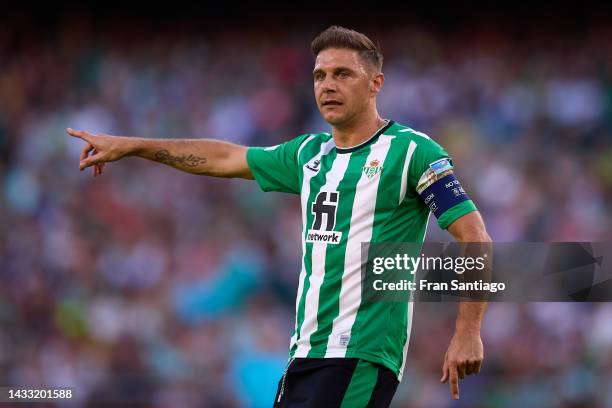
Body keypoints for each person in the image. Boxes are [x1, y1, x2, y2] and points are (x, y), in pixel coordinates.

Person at [68, 25, 491, 407]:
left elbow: (474, 236)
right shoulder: (308, 154)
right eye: (320, 75)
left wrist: (467, 330)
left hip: (358, 353)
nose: (328, 85)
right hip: (303, 354)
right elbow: (224, 157)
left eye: (343, 74)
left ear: (375, 83)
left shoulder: (413, 151)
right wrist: (134, 145)